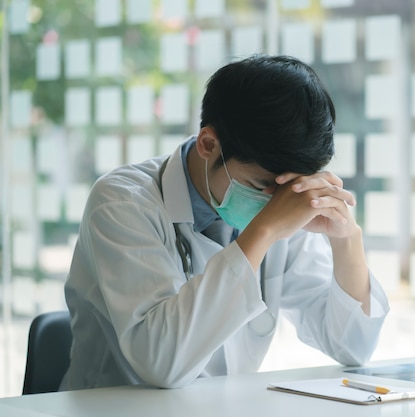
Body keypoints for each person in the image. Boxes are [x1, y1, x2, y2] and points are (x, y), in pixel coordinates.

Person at [60, 55, 389, 390]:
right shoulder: (122, 203)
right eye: (261, 186)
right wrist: (264, 231)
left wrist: (346, 239)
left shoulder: (284, 206)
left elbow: (353, 347)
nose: (276, 204)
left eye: (289, 189)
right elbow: (161, 363)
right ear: (209, 145)